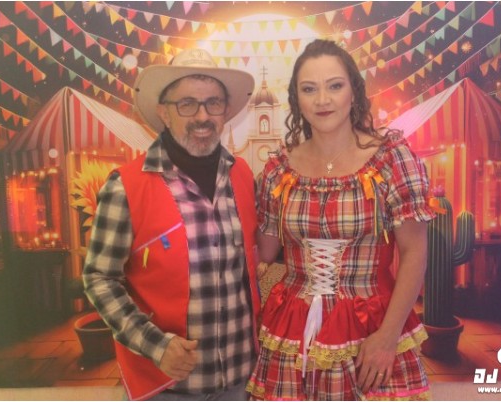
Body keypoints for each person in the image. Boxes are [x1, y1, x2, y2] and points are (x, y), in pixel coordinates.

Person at [246, 39, 435, 400]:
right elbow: (263, 252)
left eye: (334, 86)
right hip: (292, 329)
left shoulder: (390, 159)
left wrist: (387, 337)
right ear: (296, 99)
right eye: (309, 89)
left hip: (372, 325)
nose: (323, 100)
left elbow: (414, 252)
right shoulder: (277, 171)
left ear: (353, 92)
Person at [83, 48, 260, 401]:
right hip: (166, 387)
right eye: (187, 104)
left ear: (225, 111)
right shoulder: (125, 186)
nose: (202, 116)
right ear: (164, 112)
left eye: (213, 103)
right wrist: (155, 345)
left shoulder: (242, 175)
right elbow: (99, 278)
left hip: (241, 381)